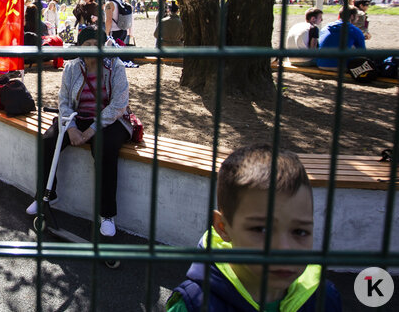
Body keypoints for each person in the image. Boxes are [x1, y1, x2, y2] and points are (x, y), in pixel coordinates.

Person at [166, 144, 342, 311]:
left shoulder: (325, 299)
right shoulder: (193, 305)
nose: (284, 249)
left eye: (300, 232)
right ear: (222, 227)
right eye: (262, 229)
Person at [25, 26, 134, 238]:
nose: (92, 48)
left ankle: (107, 214)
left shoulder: (116, 67)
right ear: (80, 46)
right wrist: (72, 128)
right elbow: (64, 101)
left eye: (96, 44)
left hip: (110, 120)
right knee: (48, 140)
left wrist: (92, 130)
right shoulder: (72, 67)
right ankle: (47, 194)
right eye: (87, 44)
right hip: (77, 118)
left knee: (105, 148)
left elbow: (119, 104)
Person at [316, 6, 366, 71]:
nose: (357, 18)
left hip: (321, 64)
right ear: (352, 16)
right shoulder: (354, 30)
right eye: (357, 16)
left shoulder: (326, 27)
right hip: (342, 66)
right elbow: (363, 52)